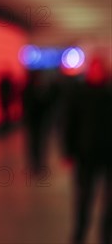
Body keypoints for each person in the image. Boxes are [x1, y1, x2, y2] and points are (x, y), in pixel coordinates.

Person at [63, 57, 112, 244]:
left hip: (108, 153)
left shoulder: (108, 93)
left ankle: (106, 235)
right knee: (84, 198)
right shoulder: (79, 94)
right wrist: (68, 151)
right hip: (86, 153)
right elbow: (70, 124)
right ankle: (80, 233)